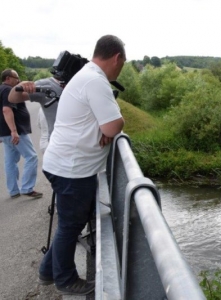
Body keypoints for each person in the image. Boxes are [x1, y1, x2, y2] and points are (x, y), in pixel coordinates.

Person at [16, 34, 126, 296]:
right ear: (117, 58)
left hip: (67, 164)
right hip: (72, 169)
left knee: (70, 223)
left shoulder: (86, 75)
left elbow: (100, 124)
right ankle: (65, 279)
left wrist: (104, 127)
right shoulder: (96, 81)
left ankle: (46, 271)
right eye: (122, 64)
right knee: (70, 225)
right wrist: (110, 127)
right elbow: (113, 124)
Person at [0, 69, 42, 199]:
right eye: (16, 77)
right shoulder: (7, 90)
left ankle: (13, 190)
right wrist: (13, 131)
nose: (18, 80)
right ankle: (27, 188)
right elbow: (7, 110)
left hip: (5, 132)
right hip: (15, 131)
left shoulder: (1, 89)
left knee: (10, 161)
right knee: (32, 157)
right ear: (7, 78)